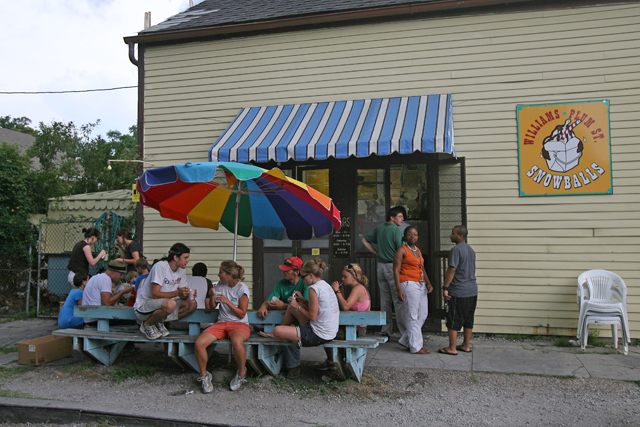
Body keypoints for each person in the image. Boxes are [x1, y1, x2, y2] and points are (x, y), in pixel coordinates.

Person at [262, 259, 339, 379]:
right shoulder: (325, 285)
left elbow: (312, 316)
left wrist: (298, 306)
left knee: (278, 330)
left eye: (303, 276)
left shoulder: (313, 288)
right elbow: (315, 306)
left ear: (311, 275)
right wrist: (302, 300)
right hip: (330, 331)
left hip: (317, 334)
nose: (302, 279)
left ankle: (279, 334)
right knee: (291, 308)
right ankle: (283, 334)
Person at [194, 261, 251, 393]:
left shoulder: (242, 288)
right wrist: (211, 295)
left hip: (239, 323)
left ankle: (241, 373)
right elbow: (212, 307)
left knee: (237, 342)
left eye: (221, 272)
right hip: (221, 323)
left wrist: (227, 301)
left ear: (229, 275)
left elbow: (241, 313)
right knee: (199, 343)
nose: (218, 275)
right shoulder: (220, 285)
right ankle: (204, 376)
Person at [134, 243, 197, 340]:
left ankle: (158, 321)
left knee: (192, 304)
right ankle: (147, 324)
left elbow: (181, 295)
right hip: (144, 307)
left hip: (164, 305)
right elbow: (155, 295)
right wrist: (177, 293)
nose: (187, 260)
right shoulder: (160, 266)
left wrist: (187, 294)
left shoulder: (181, 270)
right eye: (185, 257)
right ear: (176, 257)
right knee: (170, 304)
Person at [315, 263, 371, 371]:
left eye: (345, 276)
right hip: (354, 326)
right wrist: (341, 293)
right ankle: (334, 361)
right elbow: (347, 307)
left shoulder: (358, 289)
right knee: (327, 331)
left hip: (357, 329)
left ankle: (332, 361)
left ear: (354, 278)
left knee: (326, 333)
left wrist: (337, 291)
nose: (342, 279)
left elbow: (345, 307)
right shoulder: (357, 288)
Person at [361, 207, 405, 337]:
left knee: (385, 300)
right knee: (398, 299)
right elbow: (401, 250)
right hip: (393, 267)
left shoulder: (380, 228)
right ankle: (403, 332)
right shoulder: (397, 230)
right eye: (400, 216)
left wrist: (375, 252)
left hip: (380, 266)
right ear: (392, 218)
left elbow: (364, 240)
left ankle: (386, 330)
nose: (402, 219)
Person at [438, 225, 478, 356]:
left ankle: (452, 347)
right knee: (468, 319)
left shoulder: (456, 250)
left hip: (459, 290)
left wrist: (445, 287)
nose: (451, 235)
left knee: (453, 318)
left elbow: (452, 269)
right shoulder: (471, 250)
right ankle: (466, 345)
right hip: (472, 290)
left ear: (460, 236)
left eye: (453, 233)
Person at [394, 226, 433, 354]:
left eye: (415, 234)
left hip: (420, 283)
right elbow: (396, 270)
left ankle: (405, 340)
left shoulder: (417, 250)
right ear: (405, 237)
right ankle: (416, 347)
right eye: (410, 234)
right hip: (408, 283)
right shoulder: (402, 250)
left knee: (423, 314)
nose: (412, 237)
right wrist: (399, 289)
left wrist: (428, 283)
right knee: (412, 315)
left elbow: (422, 268)